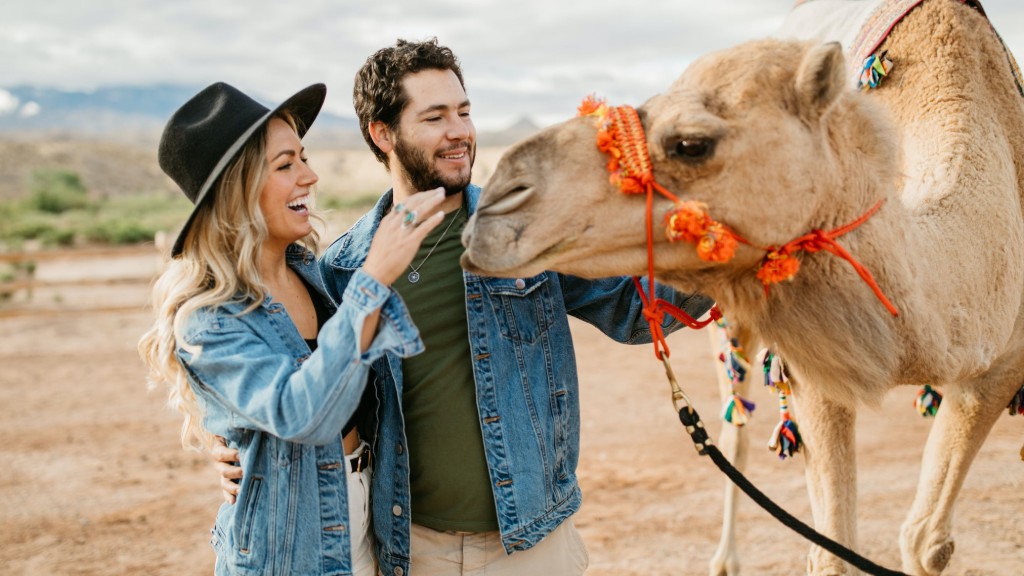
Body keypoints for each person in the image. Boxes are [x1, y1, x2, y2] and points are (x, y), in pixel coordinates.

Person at [215, 38, 714, 576]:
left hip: (534, 545)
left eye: (464, 112)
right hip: (410, 548)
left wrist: (734, 258)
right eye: (434, 117)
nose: (459, 131)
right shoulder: (342, 271)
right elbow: (301, 393)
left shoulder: (524, 234)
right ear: (383, 135)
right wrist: (231, 454)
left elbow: (636, 311)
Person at [138, 81, 447, 576]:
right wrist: (374, 280)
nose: (311, 175)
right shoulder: (208, 319)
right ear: (235, 194)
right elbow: (303, 414)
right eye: (286, 165)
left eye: (303, 157)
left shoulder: (319, 279)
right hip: (289, 553)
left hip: (365, 527)